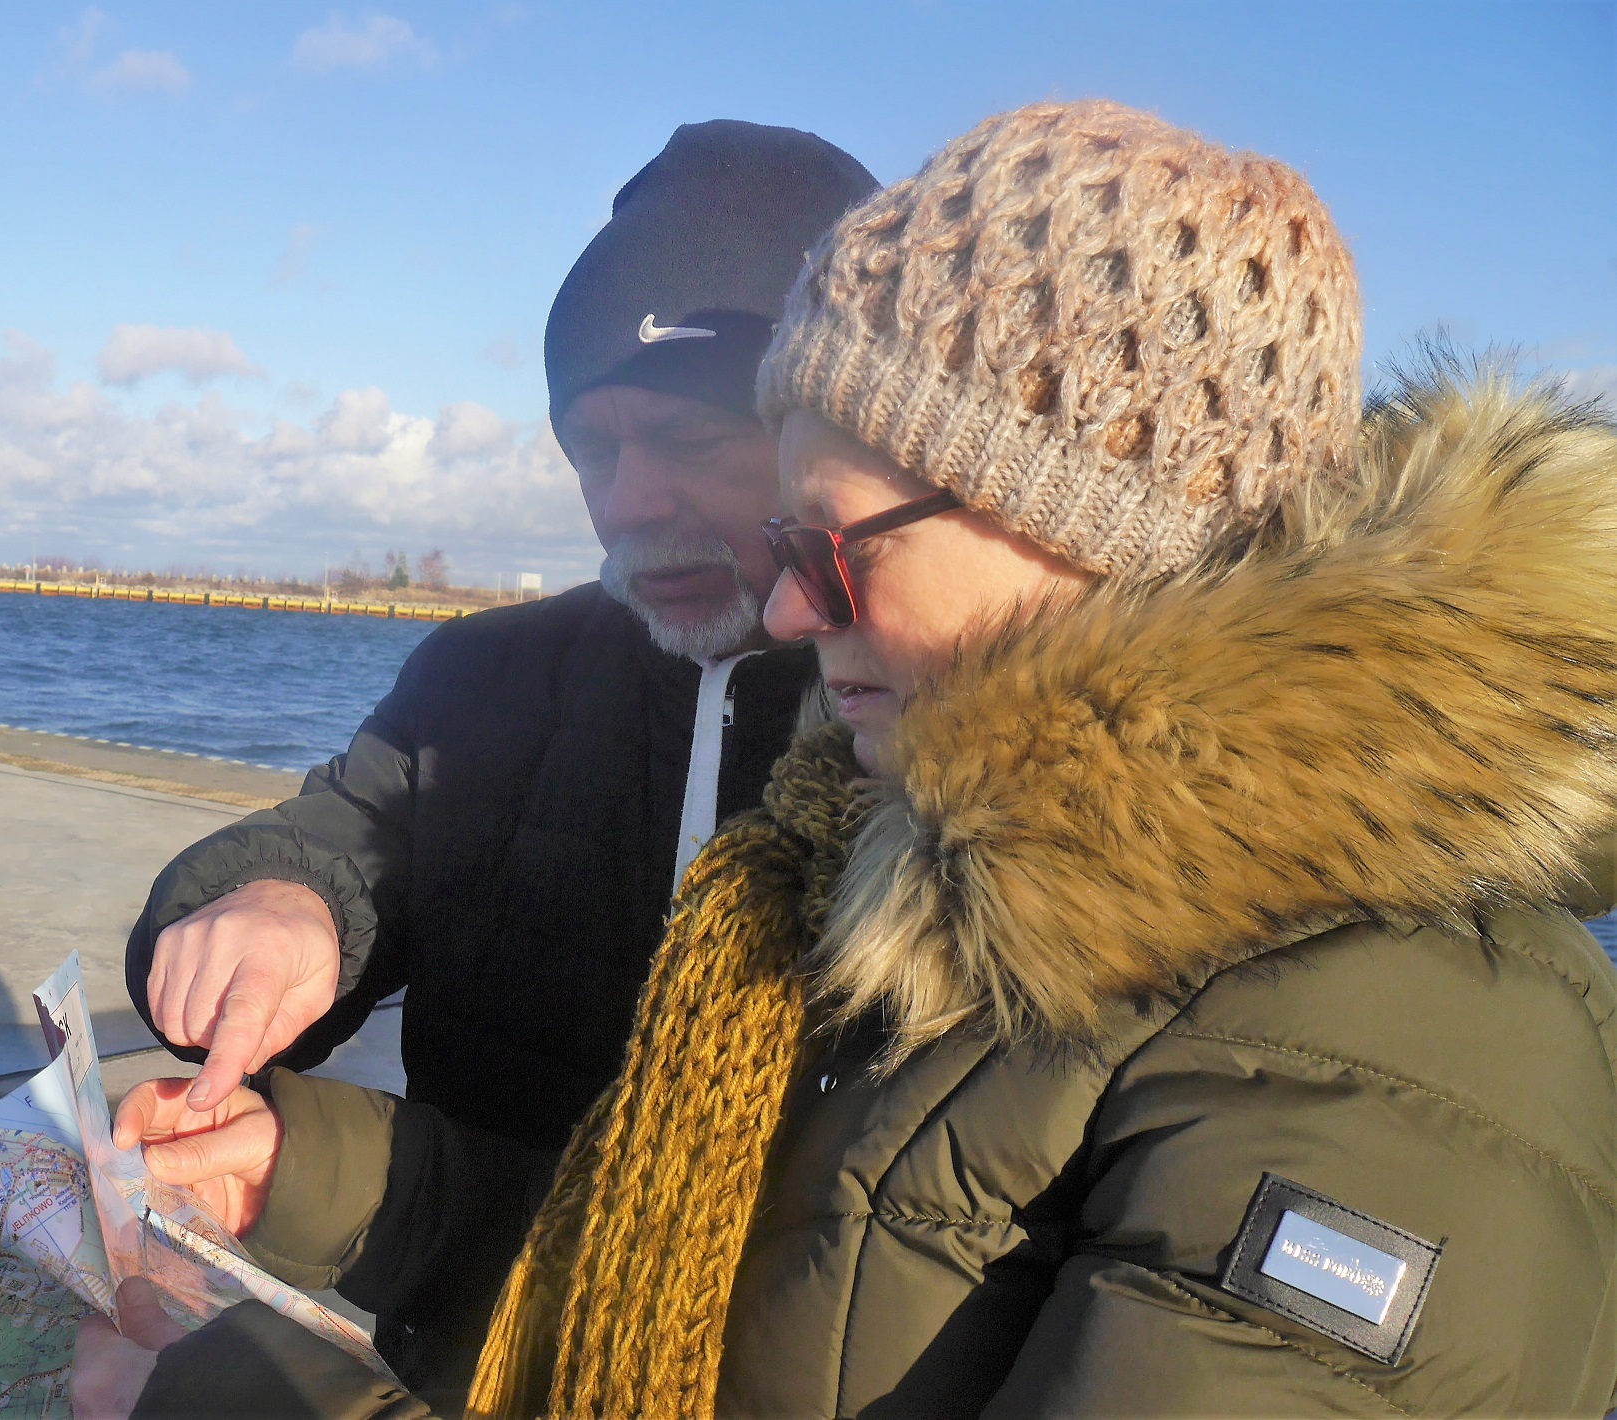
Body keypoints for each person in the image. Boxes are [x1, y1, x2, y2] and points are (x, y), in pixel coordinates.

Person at [97, 101, 1617, 1417]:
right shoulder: (886, 842)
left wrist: (223, 1395)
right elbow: (721, 1274)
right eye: (588, 450)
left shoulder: (1394, 1040)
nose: (781, 606)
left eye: (824, 544)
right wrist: (299, 1165)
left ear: (1084, 519)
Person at [112, 118, 877, 1398]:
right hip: (455, 1352)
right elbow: (345, 834)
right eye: (592, 449)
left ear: (836, 430)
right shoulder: (484, 672)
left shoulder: (922, 713)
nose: (628, 502)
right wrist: (279, 904)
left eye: (691, 440)